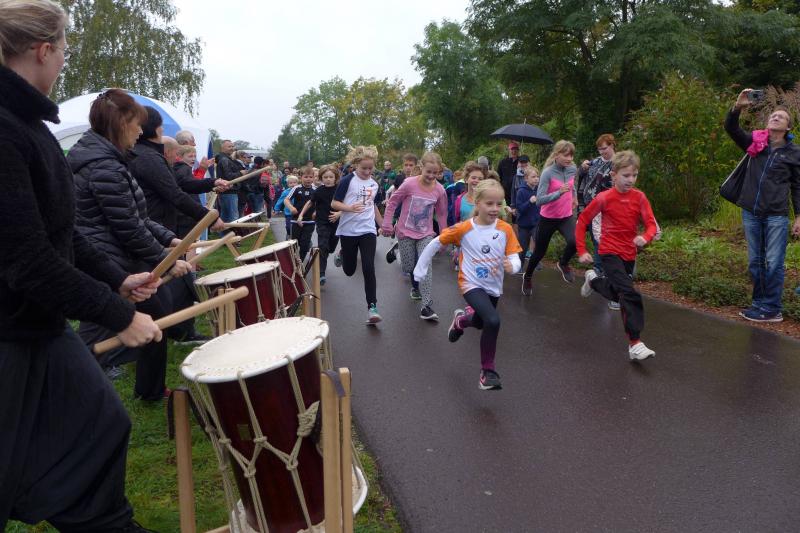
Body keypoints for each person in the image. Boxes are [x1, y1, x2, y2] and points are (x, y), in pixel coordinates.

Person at [0, 2, 162, 530]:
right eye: (64, 48)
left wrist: (117, 279)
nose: (65, 58)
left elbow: (61, 232)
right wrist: (118, 315)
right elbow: (26, 260)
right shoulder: (4, 131)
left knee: (103, 423)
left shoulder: (30, 125)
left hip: (40, 325)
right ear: (43, 50)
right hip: (7, 332)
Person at [69, 89, 192, 400]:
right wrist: (167, 259)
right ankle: (65, 393)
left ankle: (149, 391)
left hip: (115, 256)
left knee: (156, 313)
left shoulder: (111, 159)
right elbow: (128, 228)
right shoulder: (104, 166)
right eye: (137, 124)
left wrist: (170, 240)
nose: (140, 131)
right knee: (93, 337)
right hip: (104, 261)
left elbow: (137, 217)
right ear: (122, 122)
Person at [414, 179, 522, 390]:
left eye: (498, 204)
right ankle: (487, 372)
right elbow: (436, 242)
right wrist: (421, 268)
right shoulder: (465, 228)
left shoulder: (505, 229)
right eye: (489, 203)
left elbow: (513, 255)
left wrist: (513, 266)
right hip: (470, 284)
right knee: (493, 320)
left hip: (493, 287)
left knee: (481, 323)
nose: (495, 208)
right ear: (477, 203)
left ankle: (461, 321)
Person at [725, 89, 800, 323]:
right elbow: (732, 129)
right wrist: (738, 107)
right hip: (751, 212)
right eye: (773, 115)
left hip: (776, 215)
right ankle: (758, 304)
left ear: (788, 127)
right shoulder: (756, 142)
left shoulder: (795, 153)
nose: (775, 117)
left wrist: (799, 216)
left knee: (774, 262)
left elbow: (798, 187)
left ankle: (772, 308)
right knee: (755, 261)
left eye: (781, 116)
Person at [577, 151, 658, 361]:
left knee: (617, 294)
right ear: (613, 175)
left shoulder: (639, 197)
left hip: (629, 254)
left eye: (634, 175)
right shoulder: (604, 198)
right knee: (629, 294)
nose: (631, 180)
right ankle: (635, 343)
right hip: (609, 252)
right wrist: (582, 250)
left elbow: (651, 224)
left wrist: (645, 237)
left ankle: (593, 280)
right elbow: (583, 221)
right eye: (626, 175)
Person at [382, 152, 448, 321]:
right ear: (421, 167)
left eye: (435, 173)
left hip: (426, 233)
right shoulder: (409, 183)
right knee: (408, 266)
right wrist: (387, 223)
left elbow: (441, 214)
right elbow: (393, 202)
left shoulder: (439, 190)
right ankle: (397, 251)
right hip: (405, 232)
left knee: (426, 266)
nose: (431, 176)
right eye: (428, 172)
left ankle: (426, 306)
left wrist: (444, 236)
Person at [331, 145, 384, 324]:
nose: (367, 172)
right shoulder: (347, 180)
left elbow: (373, 205)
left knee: (368, 267)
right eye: (364, 169)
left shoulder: (374, 184)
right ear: (355, 165)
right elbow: (334, 203)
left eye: (370, 168)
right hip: (348, 231)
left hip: (367, 230)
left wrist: (383, 225)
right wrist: (349, 208)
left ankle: (372, 308)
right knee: (349, 270)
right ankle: (343, 253)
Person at [521, 140, 579, 295]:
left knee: (575, 242)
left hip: (566, 216)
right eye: (565, 155)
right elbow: (539, 200)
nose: (569, 158)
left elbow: (572, 185)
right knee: (539, 253)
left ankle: (563, 263)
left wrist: (574, 197)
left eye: (571, 155)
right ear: (556, 155)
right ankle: (528, 276)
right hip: (548, 218)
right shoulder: (547, 173)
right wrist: (558, 193)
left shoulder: (572, 168)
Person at [577, 133, 616, 282]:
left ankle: (604, 269)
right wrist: (582, 168)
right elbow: (582, 176)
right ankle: (599, 269)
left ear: (612, 145)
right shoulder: (595, 161)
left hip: (608, 206)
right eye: (600, 149)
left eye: (604, 148)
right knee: (596, 237)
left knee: (605, 237)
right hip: (591, 206)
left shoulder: (618, 162)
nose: (602, 152)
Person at [299, 164, 341, 285]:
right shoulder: (319, 191)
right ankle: (321, 273)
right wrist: (301, 215)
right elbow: (310, 203)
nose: (328, 179)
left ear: (335, 178)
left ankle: (334, 253)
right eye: (325, 177)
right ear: (321, 178)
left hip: (336, 223)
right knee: (323, 246)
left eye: (331, 177)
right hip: (322, 222)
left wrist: (339, 213)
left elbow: (347, 203)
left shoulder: (339, 190)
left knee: (330, 248)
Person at [287, 165, 316, 260]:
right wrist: (291, 208)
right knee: (294, 243)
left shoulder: (315, 190)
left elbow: (320, 203)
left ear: (314, 178)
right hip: (296, 219)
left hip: (309, 221)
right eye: (306, 177)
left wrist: (316, 212)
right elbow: (286, 200)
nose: (308, 179)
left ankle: (300, 262)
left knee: (304, 244)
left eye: (310, 177)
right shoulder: (296, 188)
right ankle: (292, 260)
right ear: (301, 177)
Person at [515, 166, 541, 265]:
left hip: (536, 223)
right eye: (533, 177)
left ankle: (535, 263)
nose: (536, 179)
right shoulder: (521, 191)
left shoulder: (539, 190)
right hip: (524, 225)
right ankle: (519, 266)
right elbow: (520, 209)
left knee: (538, 242)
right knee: (523, 248)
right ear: (526, 178)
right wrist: (529, 202)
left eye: (537, 176)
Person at [215, 140, 244, 222]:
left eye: (232, 146)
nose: (232, 148)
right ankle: (233, 230)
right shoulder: (224, 159)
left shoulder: (227, 159)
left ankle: (225, 231)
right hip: (229, 191)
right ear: (222, 148)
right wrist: (240, 173)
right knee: (233, 217)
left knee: (225, 216)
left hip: (228, 191)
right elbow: (228, 176)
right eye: (229, 146)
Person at [275, 174, 299, 239]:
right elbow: (280, 200)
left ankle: (299, 238)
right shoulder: (285, 192)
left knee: (298, 226)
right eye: (290, 183)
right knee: (288, 226)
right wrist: (276, 209)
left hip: (298, 212)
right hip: (288, 213)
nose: (293, 184)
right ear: (288, 184)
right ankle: (288, 234)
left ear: (297, 183)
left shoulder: (300, 191)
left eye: (294, 182)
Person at [497, 141, 520, 206]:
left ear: (518, 151)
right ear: (509, 150)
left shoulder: (520, 162)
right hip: (504, 191)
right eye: (512, 149)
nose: (514, 151)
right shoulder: (502, 162)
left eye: (516, 149)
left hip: (516, 191)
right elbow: (498, 176)